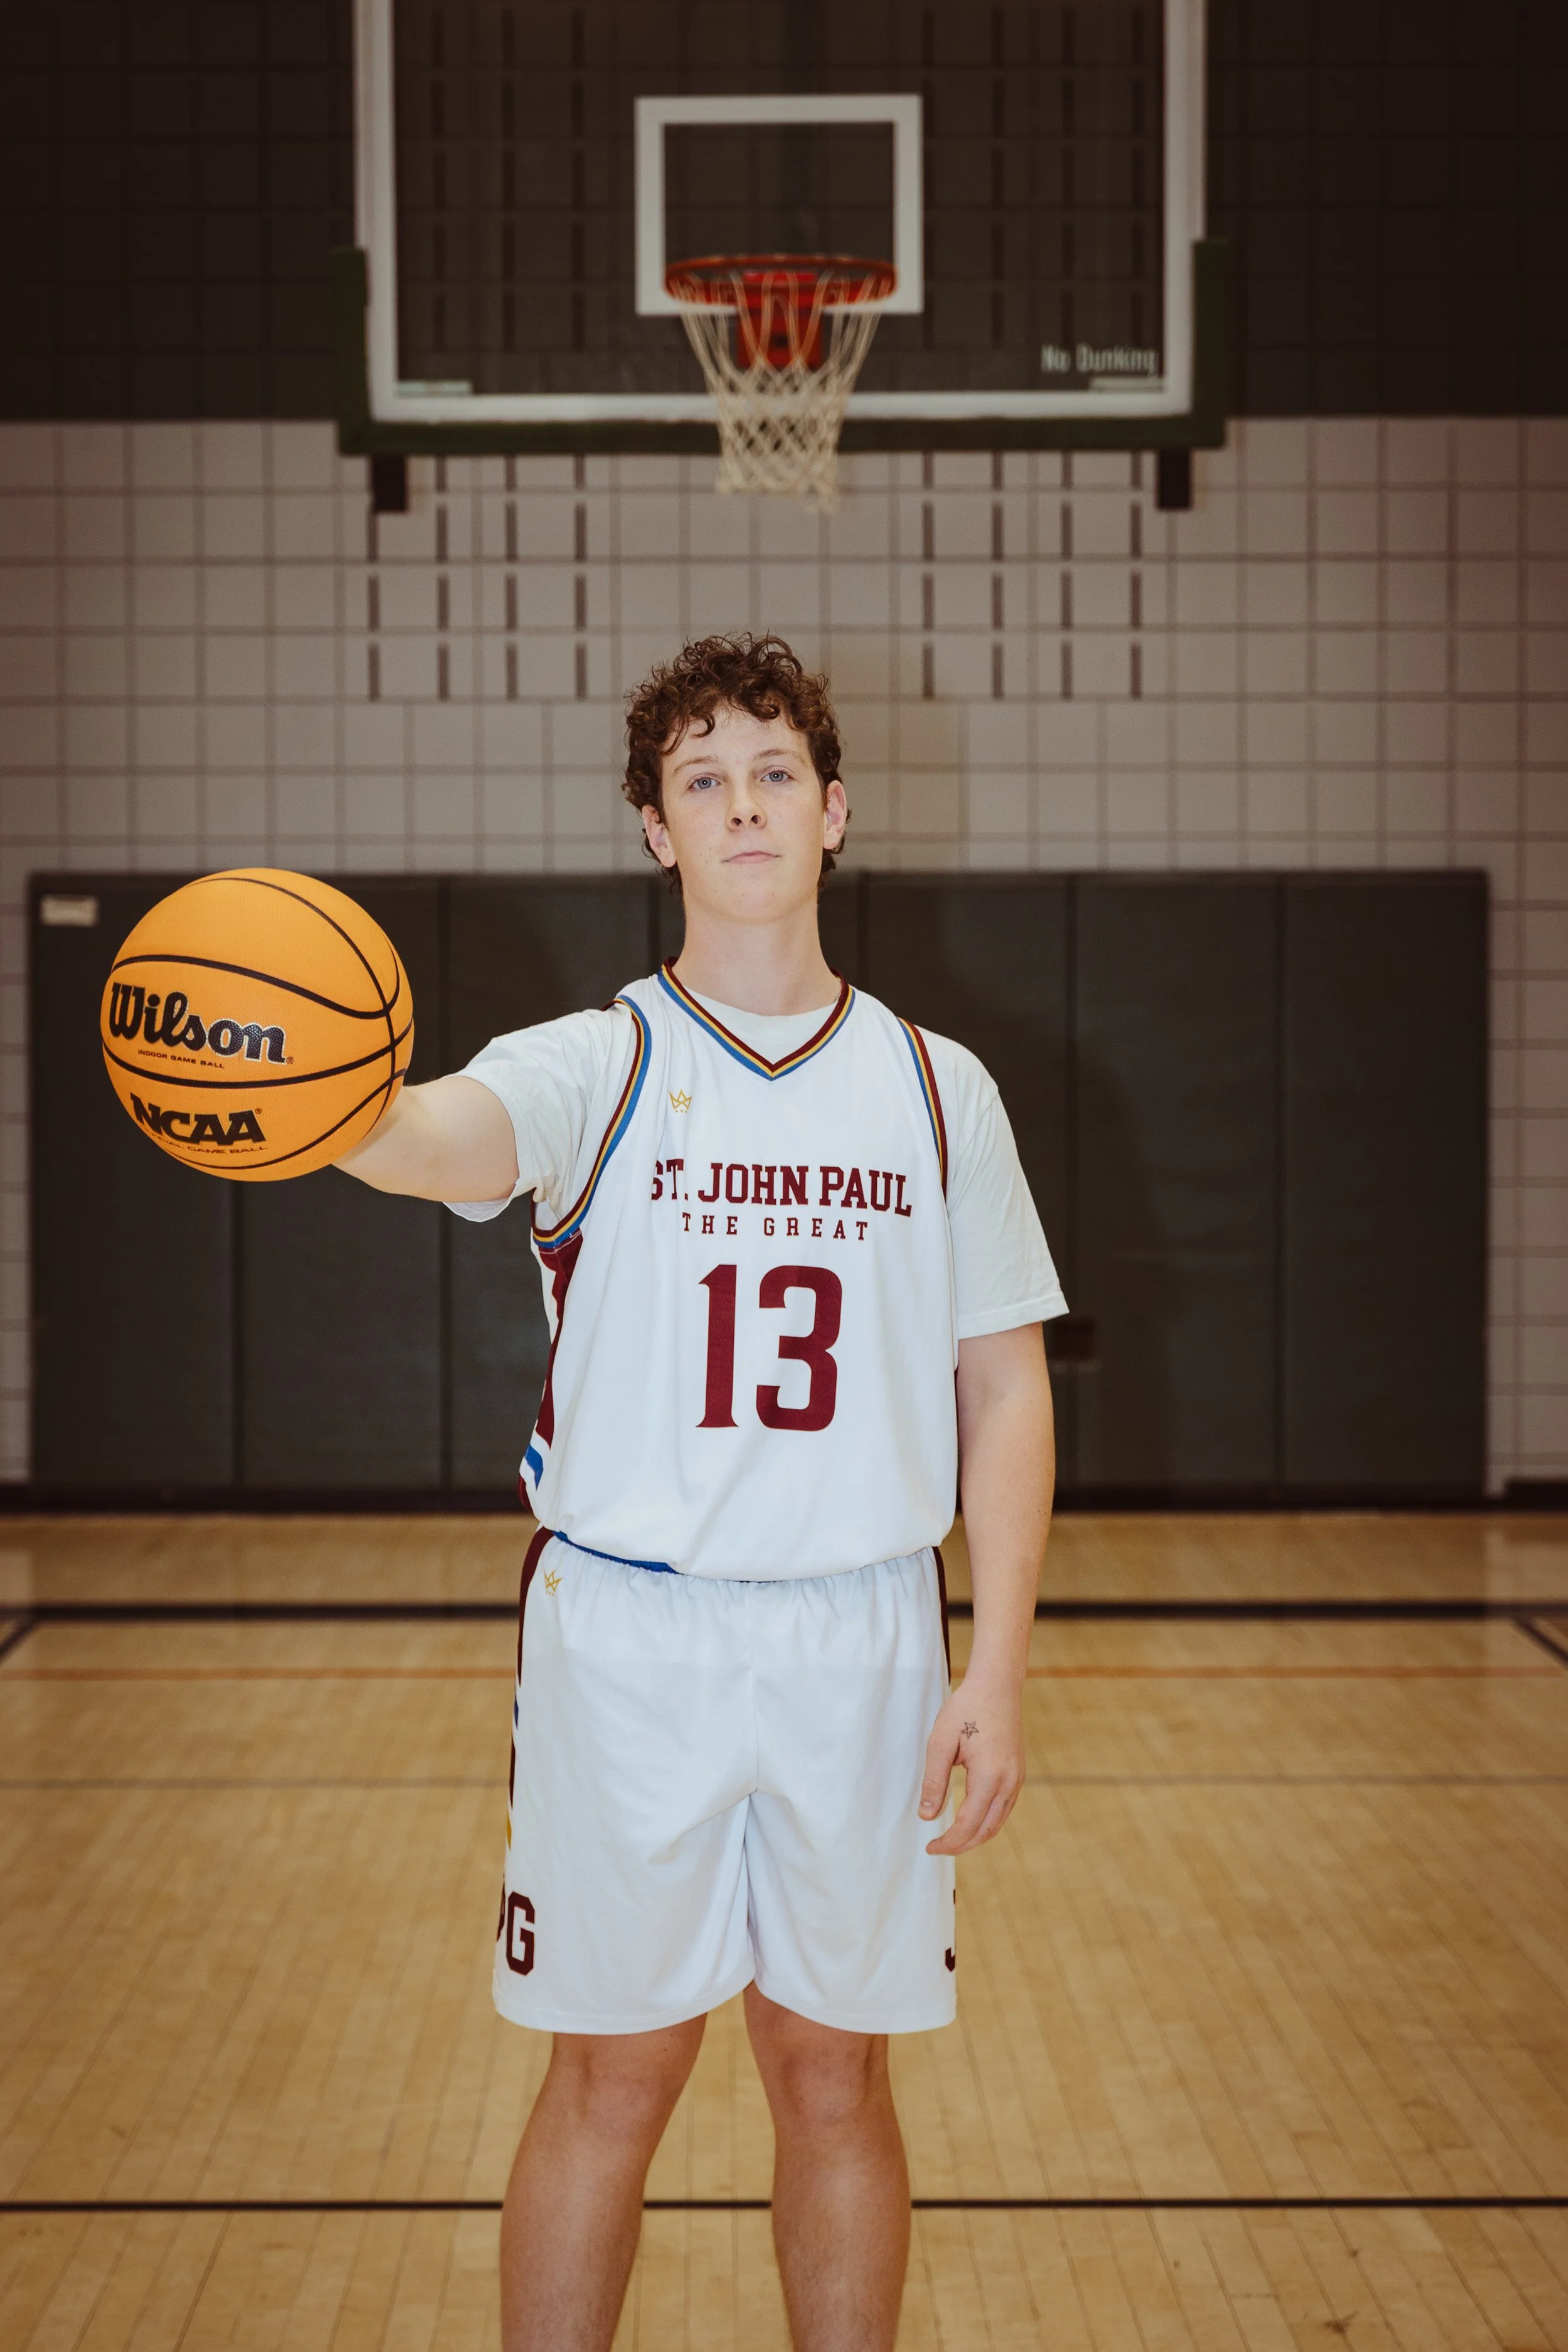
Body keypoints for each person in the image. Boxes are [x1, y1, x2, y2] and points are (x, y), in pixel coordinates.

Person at [340, 632, 1064, 2352]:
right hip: (632, 1640)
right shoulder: (595, 1063)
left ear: (834, 810)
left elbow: (1006, 1386)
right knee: (616, 2075)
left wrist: (997, 1664)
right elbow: (433, 1138)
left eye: (772, 772)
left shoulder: (935, 1087)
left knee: (833, 2075)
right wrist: (319, 1111)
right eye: (701, 778)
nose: (743, 803)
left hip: (861, 1634)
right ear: (656, 830)